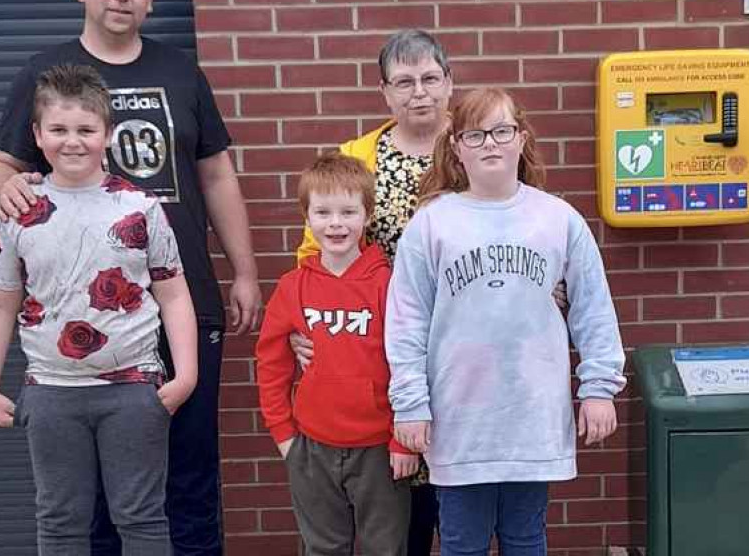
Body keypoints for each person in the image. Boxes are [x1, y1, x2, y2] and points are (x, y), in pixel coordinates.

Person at [0, 0, 261, 556]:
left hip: (181, 301)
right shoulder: (44, 75)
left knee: (190, 479)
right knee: (92, 504)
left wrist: (243, 271)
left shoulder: (180, 70)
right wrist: (1, 189)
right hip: (81, 323)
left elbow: (216, 173)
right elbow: (2, 165)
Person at [385, 87, 626, 556]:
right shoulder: (432, 225)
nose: (490, 143)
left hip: (532, 418)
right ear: (456, 147)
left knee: (525, 539)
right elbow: (406, 321)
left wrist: (598, 387)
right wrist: (410, 403)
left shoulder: (558, 219)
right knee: (461, 543)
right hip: (459, 422)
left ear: (521, 139)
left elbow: (594, 307)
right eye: (476, 134)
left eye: (501, 131)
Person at [0, 64, 198, 555]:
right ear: (37, 134)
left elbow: (173, 292)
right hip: (51, 394)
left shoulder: (140, 207)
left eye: (86, 130)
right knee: (60, 521)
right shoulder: (18, 210)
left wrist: (186, 374)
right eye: (59, 130)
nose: (73, 142)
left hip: (133, 389)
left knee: (142, 517)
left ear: (107, 134)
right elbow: (3, 301)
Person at [294, 28, 453, 553]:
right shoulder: (358, 158)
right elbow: (311, 255)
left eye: (430, 78)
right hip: (382, 354)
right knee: (400, 502)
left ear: (450, 84)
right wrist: (305, 324)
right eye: (403, 82)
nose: (419, 92)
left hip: (460, 349)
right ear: (385, 92)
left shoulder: (475, 148)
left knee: (454, 500)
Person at [256, 152, 416, 555]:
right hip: (311, 446)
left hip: (380, 447)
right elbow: (272, 363)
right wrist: (283, 434)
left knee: (386, 548)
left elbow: (410, 362)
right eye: (323, 212)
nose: (336, 223)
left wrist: (404, 442)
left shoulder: (389, 285)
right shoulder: (293, 287)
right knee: (322, 548)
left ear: (367, 215)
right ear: (306, 218)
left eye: (348, 211)